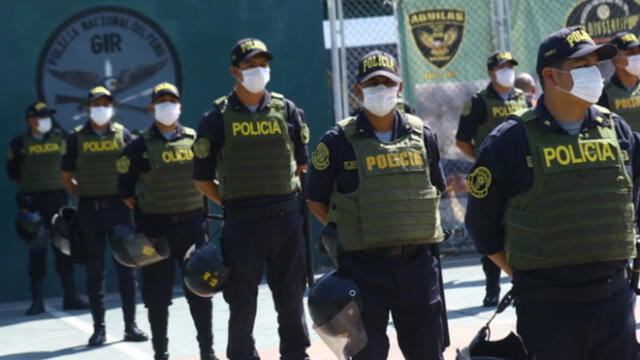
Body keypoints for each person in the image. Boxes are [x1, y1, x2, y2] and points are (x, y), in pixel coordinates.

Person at [465, 26, 640, 359]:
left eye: (595, 64)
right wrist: (530, 273)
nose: (595, 73)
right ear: (550, 75)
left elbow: (631, 202)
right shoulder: (509, 141)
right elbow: (482, 227)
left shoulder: (618, 132)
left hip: (615, 301)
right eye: (582, 66)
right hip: (548, 307)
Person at [306, 50, 447, 360]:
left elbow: (436, 189)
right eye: (373, 83)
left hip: (417, 265)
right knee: (368, 355)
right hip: (363, 267)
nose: (381, 89)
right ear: (358, 89)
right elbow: (316, 199)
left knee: (427, 352)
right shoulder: (336, 141)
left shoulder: (423, 135)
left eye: (387, 82)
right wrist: (351, 227)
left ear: (399, 87)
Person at [192, 38, 310, 360]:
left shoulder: (287, 110)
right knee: (242, 301)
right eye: (250, 65)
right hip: (241, 224)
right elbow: (202, 179)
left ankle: (296, 354)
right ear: (235, 71)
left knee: (291, 298)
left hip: (285, 219)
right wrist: (230, 201)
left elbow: (301, 166)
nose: (259, 70)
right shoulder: (216, 118)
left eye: (263, 63)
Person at [117, 82, 217, 360]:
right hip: (154, 232)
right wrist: (152, 208)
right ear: (151, 108)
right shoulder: (138, 146)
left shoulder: (194, 139)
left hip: (193, 227)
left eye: (171, 101)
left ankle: (206, 351)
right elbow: (125, 191)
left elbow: (209, 176)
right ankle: (161, 352)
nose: (167, 106)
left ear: (180, 106)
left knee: (200, 291)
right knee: (156, 297)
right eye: (161, 101)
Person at [60, 86, 147, 346]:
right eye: (96, 103)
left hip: (119, 210)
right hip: (90, 212)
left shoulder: (124, 135)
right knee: (95, 272)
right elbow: (66, 178)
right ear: (87, 108)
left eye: (105, 103)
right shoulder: (75, 138)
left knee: (127, 271)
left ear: (112, 107)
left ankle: (131, 326)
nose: (101, 108)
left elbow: (134, 173)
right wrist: (85, 194)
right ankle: (99, 328)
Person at [456, 51, 530, 307]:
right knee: (491, 227)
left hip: (521, 172)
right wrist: (482, 160)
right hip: (491, 176)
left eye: (510, 66)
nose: (507, 71)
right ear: (491, 72)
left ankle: (523, 279)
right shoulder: (478, 102)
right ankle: (492, 288)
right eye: (502, 67)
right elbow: (462, 140)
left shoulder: (522, 98)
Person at [6, 101, 88, 315]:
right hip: (33, 203)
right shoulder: (19, 144)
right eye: (40, 117)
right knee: (37, 252)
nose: (45, 120)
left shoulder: (61, 138)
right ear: (30, 120)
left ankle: (70, 296)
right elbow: (13, 173)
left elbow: (72, 165)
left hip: (58, 201)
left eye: (47, 116)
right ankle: (37, 301)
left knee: (64, 250)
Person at [598, 31, 640, 131]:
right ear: (614, 59)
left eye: (638, 52)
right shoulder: (604, 92)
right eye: (630, 53)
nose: (637, 57)